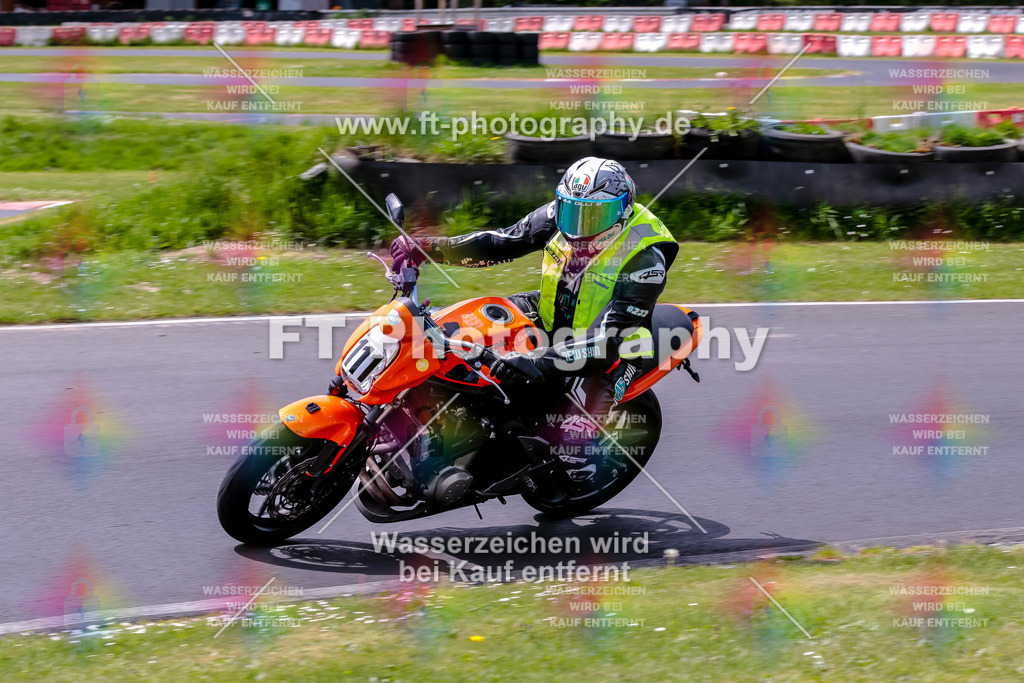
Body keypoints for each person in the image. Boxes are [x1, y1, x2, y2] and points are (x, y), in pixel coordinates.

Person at [390, 157, 680, 420]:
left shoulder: (644, 262)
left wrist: (533, 360)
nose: (579, 227)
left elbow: (606, 341)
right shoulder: (559, 215)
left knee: (577, 439)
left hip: (614, 346)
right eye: (572, 212)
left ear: (622, 212)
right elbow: (500, 242)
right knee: (459, 329)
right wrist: (428, 249)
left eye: (594, 217)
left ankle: (585, 460)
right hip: (554, 310)